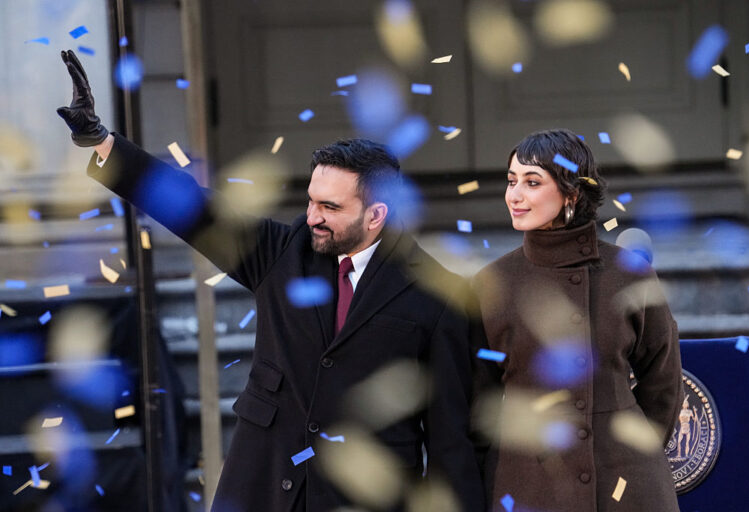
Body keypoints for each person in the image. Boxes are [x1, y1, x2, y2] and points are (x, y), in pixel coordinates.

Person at [56, 49, 485, 511]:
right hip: (261, 482)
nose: (312, 217)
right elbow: (192, 209)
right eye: (311, 200)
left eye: (330, 208)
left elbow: (449, 441)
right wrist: (101, 142)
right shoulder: (284, 252)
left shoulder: (437, 295)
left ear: (377, 214)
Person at [473, 129, 683, 512]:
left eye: (532, 182)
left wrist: (636, 450)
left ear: (571, 193)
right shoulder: (491, 285)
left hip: (626, 486)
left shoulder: (628, 274)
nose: (514, 196)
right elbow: (476, 402)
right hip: (527, 486)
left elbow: (663, 381)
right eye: (511, 181)